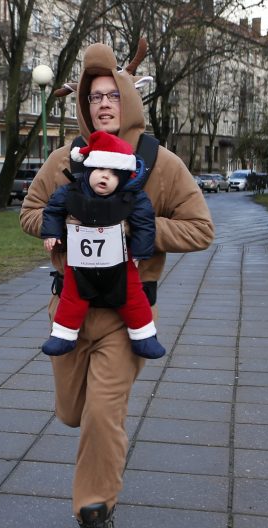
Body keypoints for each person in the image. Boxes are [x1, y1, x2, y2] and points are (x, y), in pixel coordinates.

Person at [20, 42, 214, 528]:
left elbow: (201, 229)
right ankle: (93, 470)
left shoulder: (160, 164)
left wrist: (136, 233)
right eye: (92, 96)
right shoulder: (66, 160)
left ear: (128, 98)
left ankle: (95, 517)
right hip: (68, 312)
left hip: (126, 317)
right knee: (73, 413)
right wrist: (55, 229)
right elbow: (32, 210)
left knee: (104, 418)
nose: (102, 103)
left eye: (111, 94)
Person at [40, 130, 165, 360]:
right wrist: (51, 232)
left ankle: (144, 336)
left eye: (113, 174)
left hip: (120, 259)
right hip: (79, 261)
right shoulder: (71, 192)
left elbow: (145, 224)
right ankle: (63, 335)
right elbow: (52, 210)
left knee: (133, 296)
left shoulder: (133, 198)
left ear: (124, 178)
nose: (104, 177)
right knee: (72, 296)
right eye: (99, 170)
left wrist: (140, 251)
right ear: (89, 170)